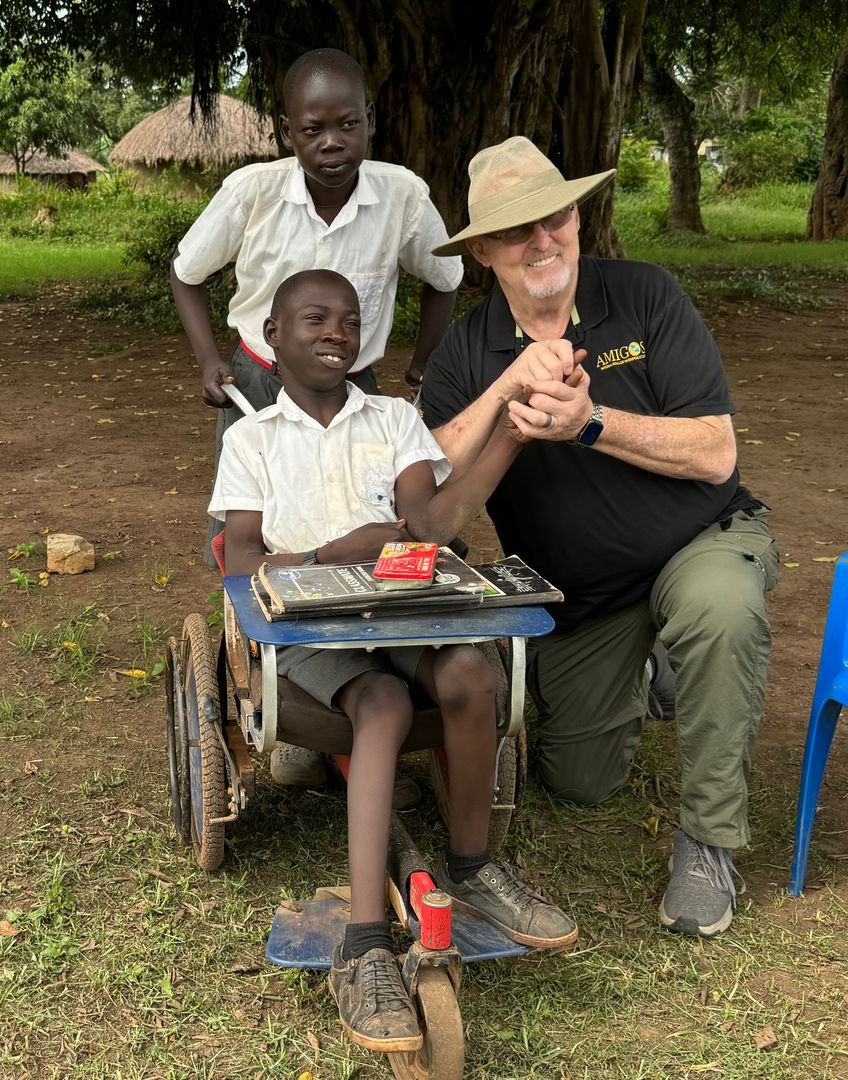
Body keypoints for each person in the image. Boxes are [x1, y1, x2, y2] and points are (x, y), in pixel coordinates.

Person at [416, 137, 781, 940]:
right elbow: (429, 508)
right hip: (587, 600)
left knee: (718, 608)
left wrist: (591, 424)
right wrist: (508, 397)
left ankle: (709, 840)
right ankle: (651, 667)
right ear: (482, 252)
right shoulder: (466, 353)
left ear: (577, 217)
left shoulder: (646, 296)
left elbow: (718, 450)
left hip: (701, 536)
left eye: (555, 218)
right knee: (578, 783)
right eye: (518, 231)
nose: (543, 240)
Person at [210, 269, 575, 1053]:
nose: (336, 332)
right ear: (273, 339)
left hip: (401, 615)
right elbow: (241, 561)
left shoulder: (395, 421)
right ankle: (365, 941)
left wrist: (508, 434)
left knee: (475, 671)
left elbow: (433, 519)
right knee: (382, 704)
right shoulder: (252, 441)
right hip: (313, 638)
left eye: (350, 320)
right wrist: (325, 554)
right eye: (314, 319)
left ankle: (473, 870)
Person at [171, 48, 461, 554]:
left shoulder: (403, 197)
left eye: (348, 124)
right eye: (312, 131)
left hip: (353, 384)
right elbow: (186, 273)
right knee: (252, 530)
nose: (332, 143)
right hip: (256, 382)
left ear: (369, 120)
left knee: (367, 515)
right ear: (287, 132)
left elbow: (445, 275)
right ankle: (254, 628)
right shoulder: (251, 192)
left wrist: (423, 361)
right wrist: (207, 360)